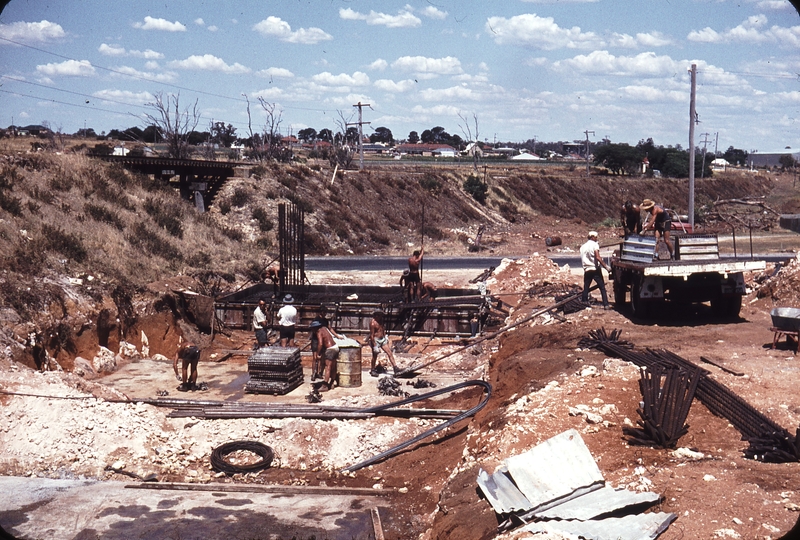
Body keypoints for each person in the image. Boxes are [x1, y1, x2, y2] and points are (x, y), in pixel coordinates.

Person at [580, 231, 611, 309]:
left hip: (587, 269)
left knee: (586, 287)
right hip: (594, 269)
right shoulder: (595, 245)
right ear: (592, 237)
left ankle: (584, 303)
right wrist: (606, 266)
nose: (597, 238)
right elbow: (597, 257)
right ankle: (606, 304)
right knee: (602, 287)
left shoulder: (583, 247)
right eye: (596, 237)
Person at [369, 311, 398, 376]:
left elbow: (382, 329)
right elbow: (372, 335)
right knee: (374, 356)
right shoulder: (372, 323)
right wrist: (375, 346)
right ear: (376, 316)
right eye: (379, 316)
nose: (380, 317)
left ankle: (395, 368)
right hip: (376, 340)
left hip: (382, 339)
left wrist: (385, 336)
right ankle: (372, 370)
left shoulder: (381, 321)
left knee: (389, 353)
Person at [316, 323, 344, 392]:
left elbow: (320, 343)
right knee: (333, 366)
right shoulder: (325, 329)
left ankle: (325, 385)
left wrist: (318, 353)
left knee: (327, 367)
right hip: (335, 347)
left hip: (330, 349)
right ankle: (332, 383)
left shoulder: (319, 332)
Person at [309, 308, 329, 381]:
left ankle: (319, 373)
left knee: (321, 357)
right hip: (315, 340)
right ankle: (313, 373)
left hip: (322, 340)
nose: (325, 313)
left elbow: (329, 328)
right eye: (324, 312)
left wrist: (336, 336)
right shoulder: (316, 320)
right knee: (315, 357)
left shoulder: (325, 321)